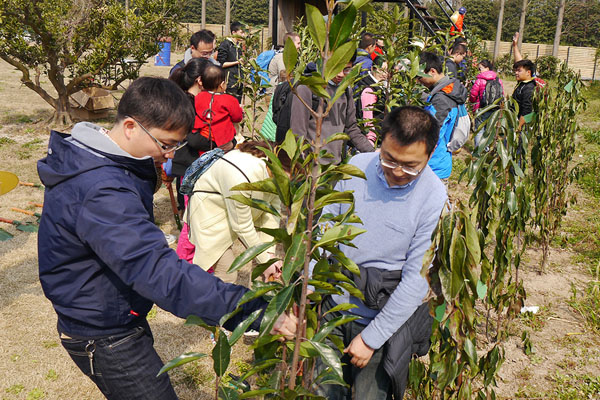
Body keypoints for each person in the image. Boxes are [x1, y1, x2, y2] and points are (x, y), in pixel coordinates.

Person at [37, 77, 296, 400]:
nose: (170, 154)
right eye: (165, 144)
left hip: (110, 310)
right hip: (103, 330)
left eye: (176, 145)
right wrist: (254, 310)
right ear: (130, 126)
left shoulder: (101, 163)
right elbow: (159, 273)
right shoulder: (103, 190)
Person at [314, 106, 447, 400]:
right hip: (334, 310)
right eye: (389, 159)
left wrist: (372, 338)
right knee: (323, 392)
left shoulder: (433, 197)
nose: (398, 172)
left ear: (431, 152)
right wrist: (307, 289)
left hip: (380, 320)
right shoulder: (357, 167)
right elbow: (324, 233)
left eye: (411, 165)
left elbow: (416, 281)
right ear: (381, 141)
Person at [185, 140, 289, 284]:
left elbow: (272, 211)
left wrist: (269, 253)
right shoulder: (241, 175)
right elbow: (242, 226)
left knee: (261, 262)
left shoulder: (272, 170)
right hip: (210, 214)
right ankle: (200, 303)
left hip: (232, 210)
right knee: (227, 275)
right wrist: (265, 260)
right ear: (279, 166)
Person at [290, 56, 374, 164]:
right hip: (311, 168)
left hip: (334, 167)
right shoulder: (307, 89)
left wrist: (372, 153)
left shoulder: (345, 91)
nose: (340, 74)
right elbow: (298, 134)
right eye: (336, 68)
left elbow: (351, 128)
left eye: (346, 69)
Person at [418, 51, 468, 181]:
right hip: (442, 161)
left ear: (432, 71)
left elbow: (433, 135)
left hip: (432, 167)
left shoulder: (441, 99)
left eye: (419, 77)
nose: (419, 81)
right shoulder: (451, 89)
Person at [193, 64, 243, 152]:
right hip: (222, 139)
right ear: (222, 84)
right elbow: (237, 118)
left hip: (202, 136)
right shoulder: (229, 99)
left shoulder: (198, 97)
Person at [469, 60, 504, 146]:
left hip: (481, 108)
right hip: (494, 108)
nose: (479, 70)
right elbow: (502, 94)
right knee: (489, 130)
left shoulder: (480, 80)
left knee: (479, 130)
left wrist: (472, 103)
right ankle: (486, 149)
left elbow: (473, 95)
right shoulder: (498, 80)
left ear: (487, 68)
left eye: (480, 68)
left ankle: (478, 152)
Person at [511, 32, 538, 130]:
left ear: (528, 72)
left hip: (522, 126)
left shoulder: (529, 88)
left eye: (519, 71)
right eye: (516, 71)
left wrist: (518, 127)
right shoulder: (523, 82)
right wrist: (515, 45)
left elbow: (527, 111)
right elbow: (519, 62)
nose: (516, 73)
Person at [218, 22, 245, 102]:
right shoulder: (225, 44)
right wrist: (237, 62)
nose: (243, 35)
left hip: (240, 82)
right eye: (241, 32)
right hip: (229, 82)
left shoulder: (238, 45)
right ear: (233, 32)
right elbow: (221, 64)